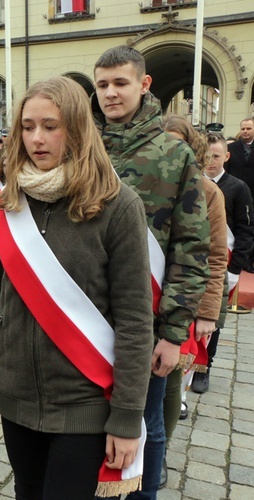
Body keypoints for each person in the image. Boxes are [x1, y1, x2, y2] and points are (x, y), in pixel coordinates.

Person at [0, 76, 154, 499]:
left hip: (85, 404)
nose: (37, 138)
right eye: (27, 126)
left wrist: (126, 417)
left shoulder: (118, 205)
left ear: (76, 128)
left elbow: (135, 321)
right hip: (16, 399)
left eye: (51, 126)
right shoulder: (5, 204)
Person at [92, 45, 210, 499]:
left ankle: (143, 491)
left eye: (120, 83)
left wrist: (174, 331)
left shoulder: (174, 155)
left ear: (144, 85)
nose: (110, 93)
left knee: (148, 421)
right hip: (87, 312)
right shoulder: (82, 146)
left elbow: (193, 245)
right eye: (102, 85)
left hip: (149, 321)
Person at [158, 115, 228, 488]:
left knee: (169, 382)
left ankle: (160, 452)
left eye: (176, 142)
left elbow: (216, 256)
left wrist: (207, 312)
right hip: (138, 296)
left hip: (182, 298)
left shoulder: (207, 191)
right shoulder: (141, 180)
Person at [191, 132, 254, 394]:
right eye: (207, 156)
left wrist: (235, 268)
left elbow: (245, 231)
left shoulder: (238, 188)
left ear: (226, 157)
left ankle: (205, 368)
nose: (211, 161)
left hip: (223, 264)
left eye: (216, 156)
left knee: (213, 319)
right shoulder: (191, 182)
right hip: (193, 261)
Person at [224, 118, 254, 196]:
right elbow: (226, 169)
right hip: (234, 191)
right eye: (243, 129)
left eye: (248, 128)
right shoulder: (230, 148)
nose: (245, 131)